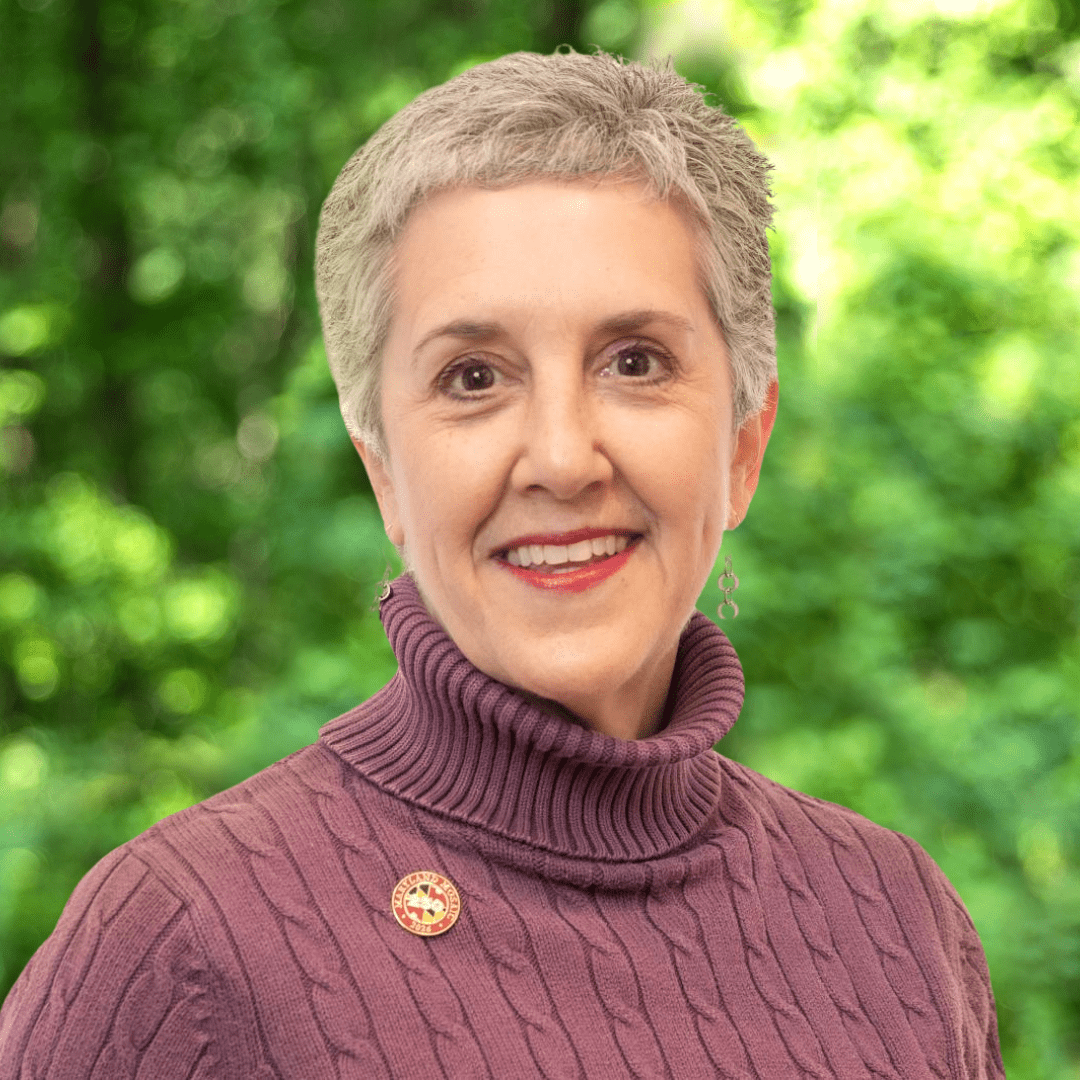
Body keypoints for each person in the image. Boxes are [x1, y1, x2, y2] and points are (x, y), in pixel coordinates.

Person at [0, 49, 1005, 1078]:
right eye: (474, 377)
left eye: (635, 362)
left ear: (744, 445)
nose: (564, 459)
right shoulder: (185, 944)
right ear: (384, 470)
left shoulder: (896, 921)